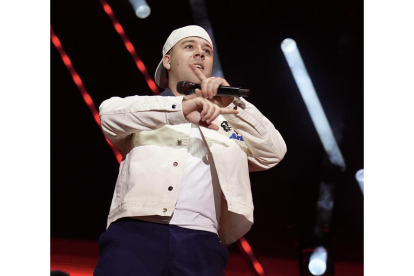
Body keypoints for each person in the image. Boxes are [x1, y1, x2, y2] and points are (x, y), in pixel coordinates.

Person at [94, 25, 287, 276]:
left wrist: (235, 103)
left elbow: (274, 151)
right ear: (167, 61)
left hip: (201, 242)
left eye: (206, 50)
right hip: (137, 232)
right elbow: (108, 114)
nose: (200, 53)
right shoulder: (146, 109)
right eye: (189, 47)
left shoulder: (227, 121)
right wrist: (181, 109)